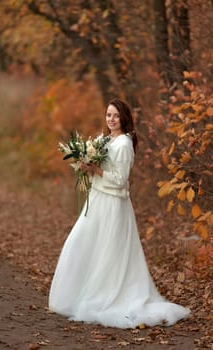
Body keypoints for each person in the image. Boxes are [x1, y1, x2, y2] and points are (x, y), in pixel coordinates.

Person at [49, 98, 190, 328]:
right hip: (97, 201)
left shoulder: (124, 144)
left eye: (115, 115)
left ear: (124, 118)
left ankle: (106, 296)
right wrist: (87, 167)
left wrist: (96, 170)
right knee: (82, 244)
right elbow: (103, 169)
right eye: (108, 115)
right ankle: (76, 295)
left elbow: (120, 179)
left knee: (107, 252)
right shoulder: (107, 140)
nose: (111, 119)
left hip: (113, 205)